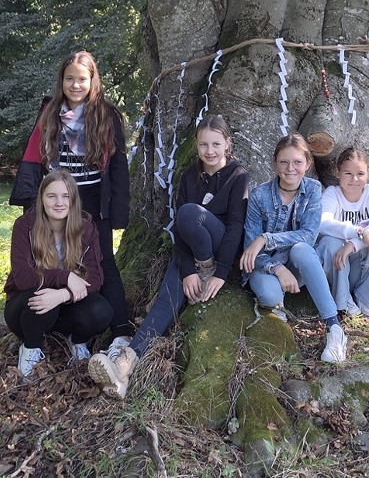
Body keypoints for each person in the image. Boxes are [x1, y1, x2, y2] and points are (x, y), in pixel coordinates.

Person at [88, 115, 249, 399]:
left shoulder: (238, 176)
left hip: (221, 245)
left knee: (190, 212)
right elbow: (179, 229)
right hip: (193, 255)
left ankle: (207, 267)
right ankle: (123, 370)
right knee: (165, 303)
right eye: (203, 145)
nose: (209, 151)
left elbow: (237, 226)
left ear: (227, 144)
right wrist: (188, 269)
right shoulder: (189, 177)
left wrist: (221, 271)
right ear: (197, 146)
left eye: (215, 144)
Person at [9, 51, 132, 359]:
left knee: (103, 263)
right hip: (56, 197)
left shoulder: (106, 114)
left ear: (92, 81)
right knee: (49, 260)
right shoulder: (49, 112)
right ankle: (41, 326)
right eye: (69, 79)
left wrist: (118, 213)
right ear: (61, 81)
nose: (75, 85)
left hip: (91, 197)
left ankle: (119, 332)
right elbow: (34, 157)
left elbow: (118, 166)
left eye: (82, 79)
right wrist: (30, 205)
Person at [239, 133, 347, 363]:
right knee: (269, 297)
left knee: (302, 248)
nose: (290, 169)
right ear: (275, 163)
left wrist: (266, 239)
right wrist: (277, 268)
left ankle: (334, 328)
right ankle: (280, 295)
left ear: (308, 164)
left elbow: (308, 235)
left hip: (300, 263)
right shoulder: (259, 196)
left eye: (297, 162)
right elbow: (251, 250)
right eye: (284, 162)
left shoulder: (314, 190)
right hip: (266, 266)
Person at [5, 171, 112, 378]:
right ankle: (30, 349)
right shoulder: (25, 226)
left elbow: (95, 280)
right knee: (42, 296)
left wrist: (63, 294)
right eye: (51, 196)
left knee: (101, 311)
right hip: (25, 311)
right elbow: (24, 278)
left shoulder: (86, 229)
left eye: (66, 196)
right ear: (42, 199)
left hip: (65, 308)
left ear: (74, 200)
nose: (59, 203)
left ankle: (77, 340)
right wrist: (66, 277)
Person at [315, 148, 369, 318]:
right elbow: (323, 222)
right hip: (338, 268)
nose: (354, 179)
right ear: (337, 173)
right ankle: (343, 300)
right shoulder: (332, 194)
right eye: (348, 173)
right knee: (329, 242)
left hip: (361, 266)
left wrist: (352, 244)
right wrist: (359, 231)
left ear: (368, 174)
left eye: (360, 173)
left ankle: (365, 297)